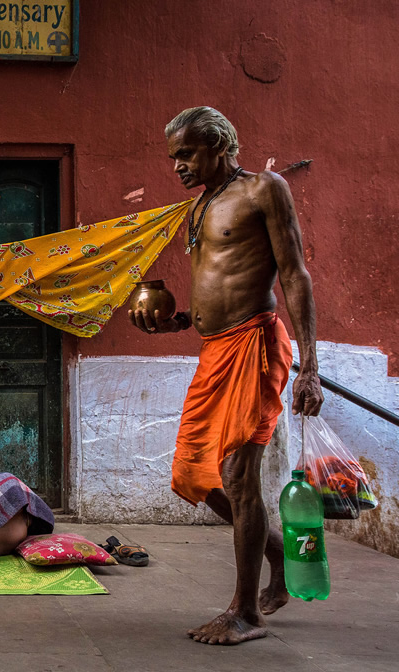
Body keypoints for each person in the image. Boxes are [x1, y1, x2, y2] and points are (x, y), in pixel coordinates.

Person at [130, 106, 324, 645]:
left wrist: (311, 365)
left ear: (220, 144)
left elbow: (295, 275)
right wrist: (179, 322)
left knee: (239, 474)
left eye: (187, 153)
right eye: (174, 157)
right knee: (194, 476)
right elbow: (220, 284)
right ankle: (278, 554)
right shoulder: (200, 207)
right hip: (213, 350)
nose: (179, 167)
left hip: (256, 345)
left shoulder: (265, 189)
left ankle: (245, 611)